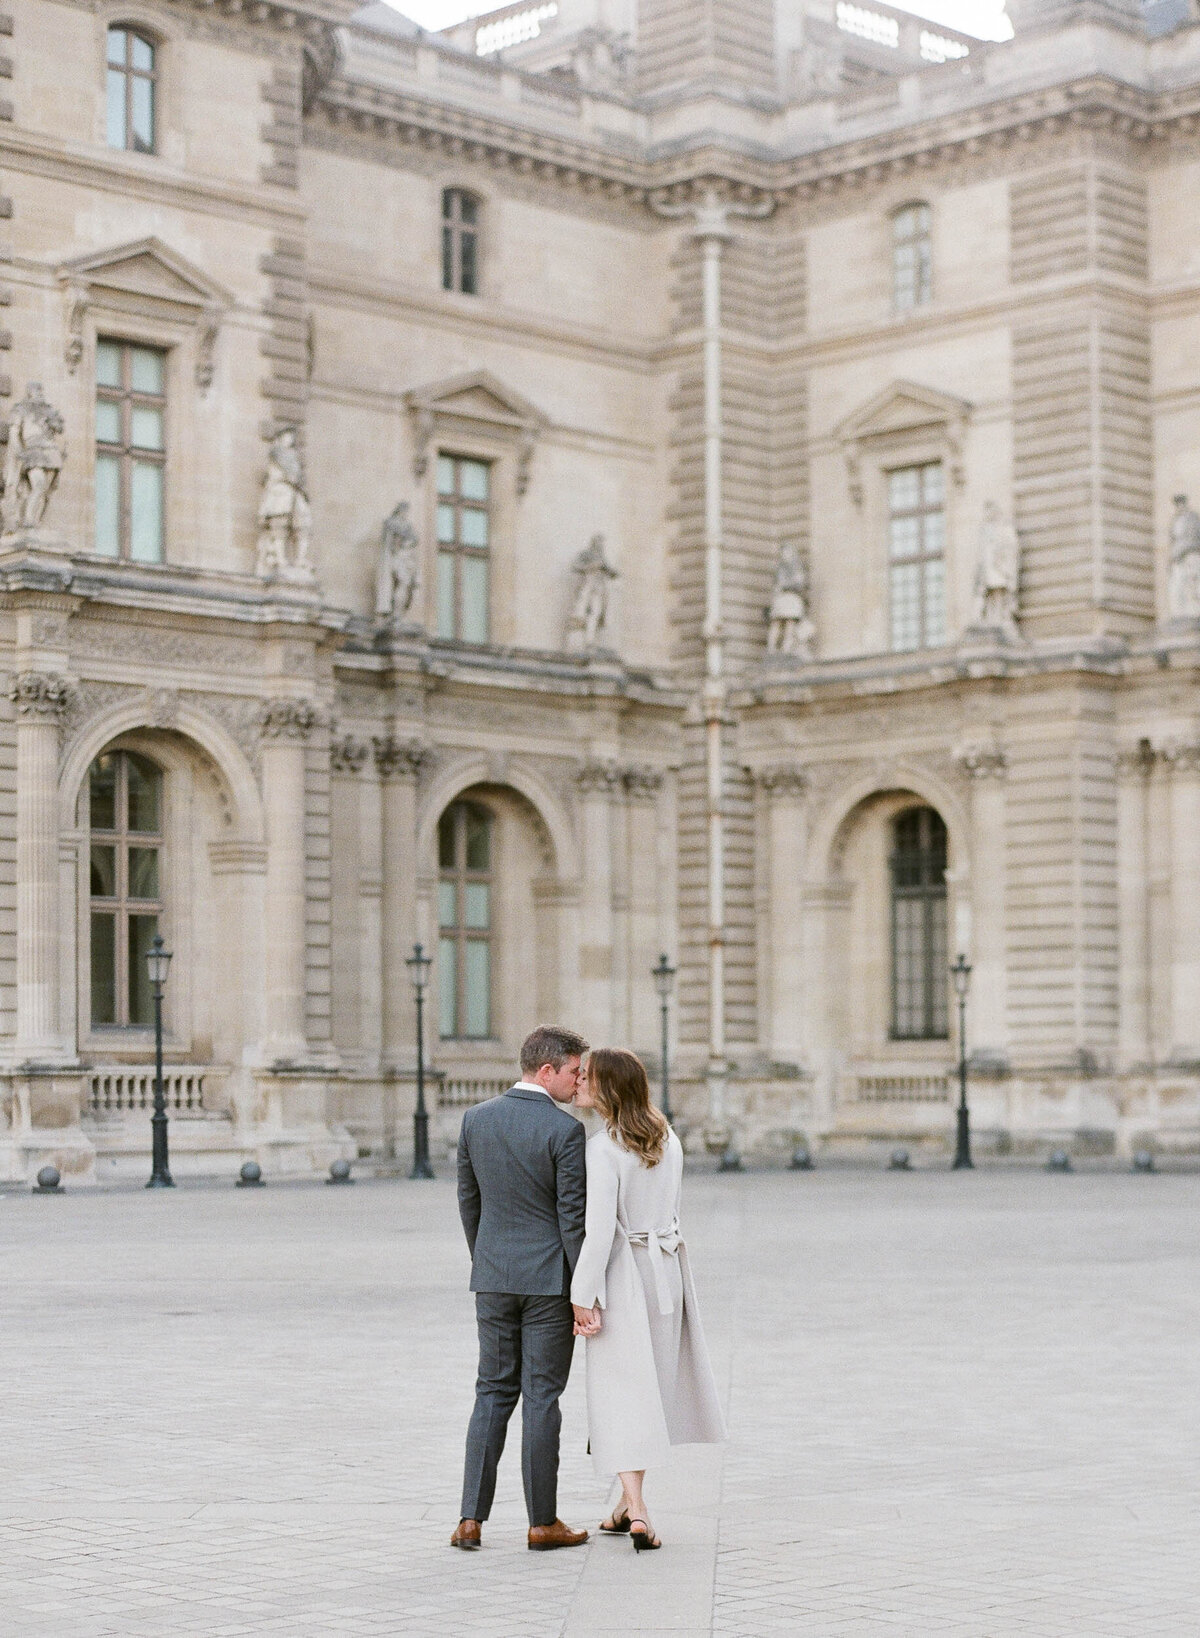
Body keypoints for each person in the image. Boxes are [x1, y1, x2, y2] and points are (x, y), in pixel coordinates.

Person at [570, 1048, 726, 1552]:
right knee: (651, 1388)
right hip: (668, 1272)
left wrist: (581, 1295)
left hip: (625, 1276)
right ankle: (622, 1506)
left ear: (608, 1087)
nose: (579, 1083)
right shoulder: (668, 1137)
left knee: (621, 1394)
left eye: (587, 1077)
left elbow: (598, 1234)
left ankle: (638, 1510)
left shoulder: (603, 1147)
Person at [453, 1025, 591, 1552]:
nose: (580, 1085)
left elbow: (470, 1205)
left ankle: (470, 1518)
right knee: (541, 1397)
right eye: (575, 1073)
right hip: (548, 1283)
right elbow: (571, 1220)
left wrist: (487, 1261)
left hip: (492, 1277)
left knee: (491, 1391)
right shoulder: (565, 1131)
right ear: (547, 1070)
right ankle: (542, 1522)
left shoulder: (475, 1120)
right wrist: (584, 1291)